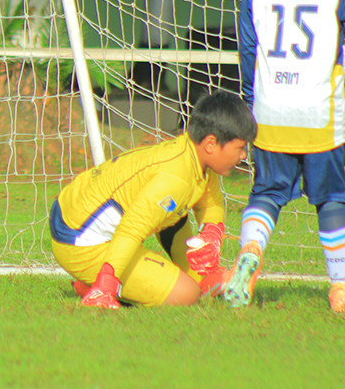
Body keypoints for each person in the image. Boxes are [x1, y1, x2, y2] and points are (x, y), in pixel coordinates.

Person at [232, 0, 345, 311]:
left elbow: (247, 49)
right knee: (333, 198)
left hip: (269, 110)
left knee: (266, 193)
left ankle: (249, 256)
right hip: (322, 115)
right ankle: (339, 288)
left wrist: (249, 102)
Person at [49, 91, 257, 308]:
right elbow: (131, 229)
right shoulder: (173, 179)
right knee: (186, 294)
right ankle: (96, 285)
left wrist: (212, 233)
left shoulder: (193, 155)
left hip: (73, 212)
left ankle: (201, 278)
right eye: (240, 148)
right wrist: (106, 285)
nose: (243, 156)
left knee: (180, 224)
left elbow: (210, 201)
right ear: (211, 144)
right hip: (79, 240)